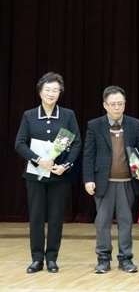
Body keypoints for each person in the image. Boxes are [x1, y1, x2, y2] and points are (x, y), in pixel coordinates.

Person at [14, 71, 81, 274]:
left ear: (60, 93)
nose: (51, 94)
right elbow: (19, 144)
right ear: (40, 91)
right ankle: (37, 259)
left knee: (56, 217)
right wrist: (38, 159)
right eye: (47, 90)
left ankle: (52, 258)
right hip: (35, 175)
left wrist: (65, 165)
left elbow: (76, 143)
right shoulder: (29, 115)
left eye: (55, 90)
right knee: (36, 217)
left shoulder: (68, 115)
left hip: (59, 175)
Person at [82, 85, 139, 274]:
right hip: (103, 182)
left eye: (120, 103)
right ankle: (103, 258)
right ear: (105, 105)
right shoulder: (94, 125)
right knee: (102, 222)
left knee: (125, 221)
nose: (117, 107)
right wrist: (88, 179)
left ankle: (126, 258)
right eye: (113, 104)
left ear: (125, 104)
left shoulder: (135, 124)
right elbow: (88, 154)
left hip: (127, 182)